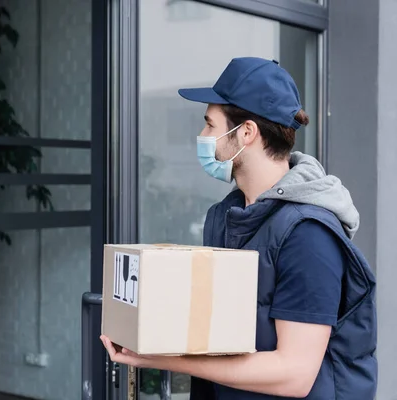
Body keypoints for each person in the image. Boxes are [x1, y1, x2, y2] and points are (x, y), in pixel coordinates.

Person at [100, 57, 377, 399]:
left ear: (246, 132)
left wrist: (164, 359)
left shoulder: (309, 234)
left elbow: (295, 374)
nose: (202, 136)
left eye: (210, 125)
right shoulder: (225, 215)